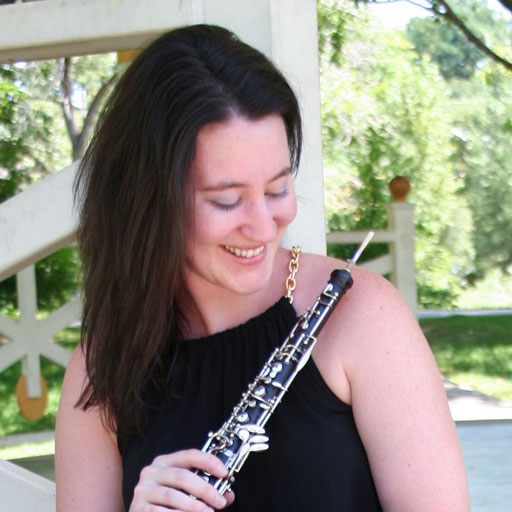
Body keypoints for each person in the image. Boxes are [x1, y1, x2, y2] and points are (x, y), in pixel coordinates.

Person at [55, 24, 470, 512]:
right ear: (148, 203)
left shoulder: (363, 315)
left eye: (277, 189)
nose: (263, 225)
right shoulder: (102, 366)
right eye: (226, 200)